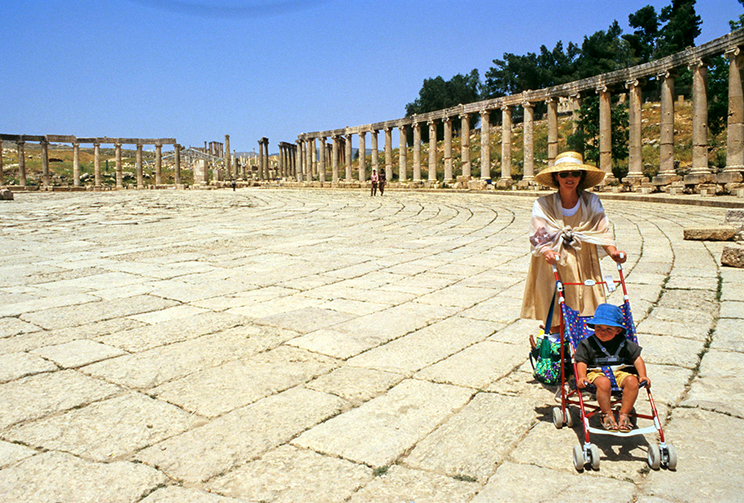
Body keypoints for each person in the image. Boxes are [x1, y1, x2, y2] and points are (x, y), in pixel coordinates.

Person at [521, 151, 627, 327]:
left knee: (586, 298)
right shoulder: (542, 204)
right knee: (554, 302)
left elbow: (602, 230)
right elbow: (538, 235)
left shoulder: (591, 200)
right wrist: (547, 251)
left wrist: (613, 252)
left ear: (581, 176)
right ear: (556, 177)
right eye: (564, 174)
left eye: (575, 173)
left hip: (583, 258)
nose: (570, 178)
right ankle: (556, 338)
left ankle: (584, 337)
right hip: (555, 258)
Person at [574, 303, 650, 432]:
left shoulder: (624, 343)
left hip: (620, 371)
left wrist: (642, 375)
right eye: (599, 328)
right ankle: (606, 413)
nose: (603, 332)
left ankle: (624, 414)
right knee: (603, 383)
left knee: (632, 381)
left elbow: (636, 358)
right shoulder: (587, 344)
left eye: (609, 329)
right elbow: (581, 361)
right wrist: (581, 376)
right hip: (596, 372)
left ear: (618, 330)